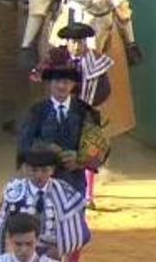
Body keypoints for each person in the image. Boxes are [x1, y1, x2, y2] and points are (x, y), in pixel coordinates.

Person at [16, 47, 101, 195]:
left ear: (73, 84)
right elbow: (24, 144)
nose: (61, 86)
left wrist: (80, 159)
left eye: (66, 82)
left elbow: (98, 148)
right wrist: (44, 149)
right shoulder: (37, 111)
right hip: (42, 183)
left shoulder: (86, 112)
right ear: (49, 83)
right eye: (57, 81)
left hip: (74, 183)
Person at [0, 147, 89, 262]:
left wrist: (61, 248)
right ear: (25, 169)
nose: (39, 175)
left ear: (52, 170)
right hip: (19, 253)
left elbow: (82, 232)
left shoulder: (64, 193)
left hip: (51, 257)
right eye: (34, 170)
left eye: (44, 170)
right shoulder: (15, 193)